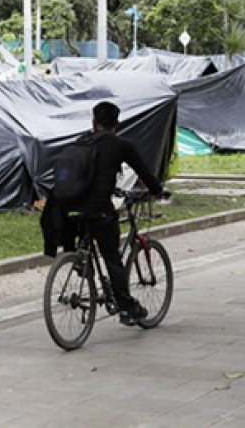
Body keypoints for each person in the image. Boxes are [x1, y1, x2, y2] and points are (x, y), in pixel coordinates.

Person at [69, 100, 169, 326]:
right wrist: (157, 190)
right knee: (112, 258)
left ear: (94, 121)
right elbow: (144, 172)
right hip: (100, 210)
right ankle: (127, 309)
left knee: (88, 230)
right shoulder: (121, 145)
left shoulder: (81, 142)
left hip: (72, 208)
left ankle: (81, 259)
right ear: (118, 123)